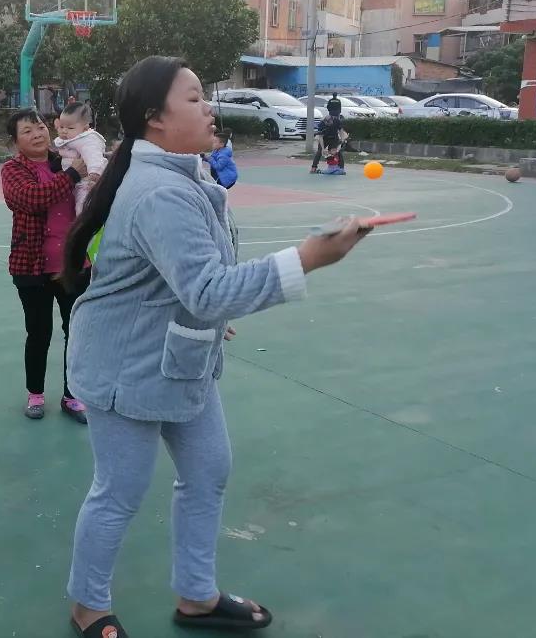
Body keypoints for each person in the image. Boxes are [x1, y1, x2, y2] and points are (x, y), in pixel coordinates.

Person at [61, 56, 369, 637]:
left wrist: (207, 310)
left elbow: (191, 281)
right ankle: (87, 606)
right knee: (120, 492)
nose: (209, 107)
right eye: (196, 97)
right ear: (155, 120)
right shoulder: (159, 191)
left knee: (208, 471)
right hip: (125, 368)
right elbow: (205, 289)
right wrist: (308, 258)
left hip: (180, 356)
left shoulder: (188, 175)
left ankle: (197, 597)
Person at [0, 109, 90, 424]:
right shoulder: (13, 170)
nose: (37, 133)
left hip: (73, 264)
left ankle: (72, 395)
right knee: (39, 333)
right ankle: (35, 395)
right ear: (15, 142)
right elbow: (33, 198)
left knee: (76, 332)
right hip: (31, 265)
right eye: (27, 131)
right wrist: (73, 176)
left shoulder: (67, 157)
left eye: (39, 126)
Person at [54, 102, 107, 215]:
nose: (64, 130)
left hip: (86, 181)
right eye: (62, 127)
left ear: (85, 128)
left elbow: (94, 156)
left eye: (70, 127)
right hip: (73, 181)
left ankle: (85, 224)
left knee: (82, 207)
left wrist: (95, 173)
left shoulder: (88, 139)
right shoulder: (70, 139)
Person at [311, 95, 346, 175]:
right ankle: (314, 168)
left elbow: (341, 131)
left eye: (330, 123)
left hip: (334, 138)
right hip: (325, 138)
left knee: (337, 152)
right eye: (327, 124)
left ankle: (341, 168)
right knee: (319, 152)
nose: (328, 125)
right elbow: (320, 137)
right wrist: (323, 148)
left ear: (332, 120)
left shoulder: (337, 121)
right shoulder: (321, 124)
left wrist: (342, 139)